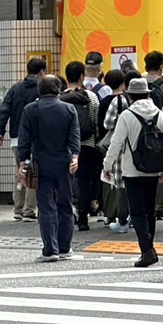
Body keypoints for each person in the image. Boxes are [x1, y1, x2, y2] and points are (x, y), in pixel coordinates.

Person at [104, 76, 163, 267]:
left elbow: (116, 144)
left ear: (130, 96)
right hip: (154, 170)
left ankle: (147, 250)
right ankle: (149, 248)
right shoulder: (159, 114)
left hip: (132, 170)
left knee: (137, 212)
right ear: (147, 95)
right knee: (150, 210)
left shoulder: (127, 116)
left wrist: (107, 166)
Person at [16, 74, 81, 263]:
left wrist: (23, 162)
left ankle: (50, 249)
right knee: (65, 205)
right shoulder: (69, 109)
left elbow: (24, 139)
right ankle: (64, 247)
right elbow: (74, 136)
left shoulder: (30, 110)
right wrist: (75, 156)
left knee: (46, 207)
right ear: (59, 88)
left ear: (39, 89)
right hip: (64, 162)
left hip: (40, 162)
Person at [0, 56, 46, 222]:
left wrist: (0, 131)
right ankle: (29, 210)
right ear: (42, 72)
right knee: (33, 172)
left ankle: (18, 208)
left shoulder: (16, 88)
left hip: (16, 139)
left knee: (20, 170)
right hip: (35, 138)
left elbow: (4, 109)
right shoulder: (42, 89)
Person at [59, 61, 102, 230]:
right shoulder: (90, 97)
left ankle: (68, 214)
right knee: (84, 181)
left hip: (65, 146)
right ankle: (83, 219)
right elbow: (96, 121)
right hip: (87, 144)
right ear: (82, 76)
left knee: (66, 181)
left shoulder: (60, 98)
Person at [97, 68, 133, 232]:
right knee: (125, 182)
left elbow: (106, 124)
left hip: (114, 146)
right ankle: (127, 217)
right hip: (128, 145)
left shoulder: (107, 101)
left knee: (115, 183)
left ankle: (116, 216)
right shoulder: (127, 99)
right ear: (123, 83)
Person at [143, 52, 163, 220]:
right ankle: (161, 206)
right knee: (162, 167)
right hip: (160, 129)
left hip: (140, 128)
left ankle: (145, 202)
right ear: (161, 66)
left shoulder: (139, 81)